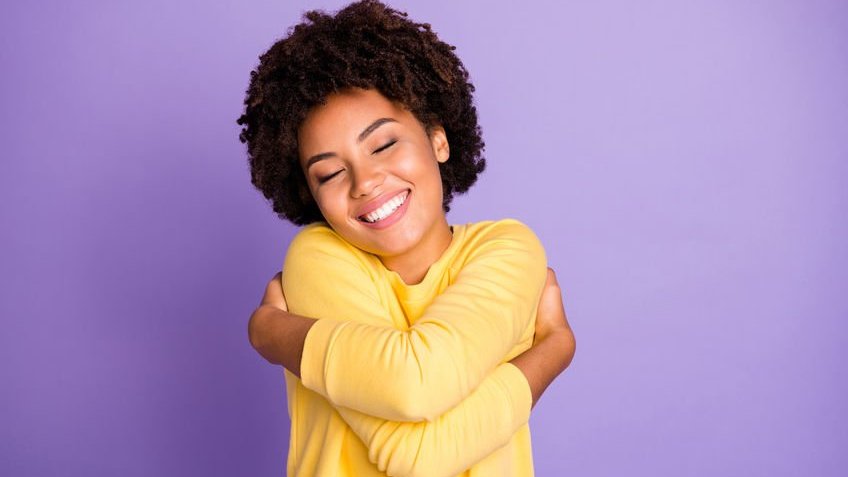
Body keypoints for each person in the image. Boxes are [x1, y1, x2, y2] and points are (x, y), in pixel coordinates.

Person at [237, 1, 576, 476]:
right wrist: (550, 351)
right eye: (331, 172)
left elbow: (416, 428)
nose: (366, 181)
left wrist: (272, 334)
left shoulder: (507, 248)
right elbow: (417, 428)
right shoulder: (318, 258)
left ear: (438, 139)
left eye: (384, 144)